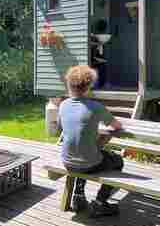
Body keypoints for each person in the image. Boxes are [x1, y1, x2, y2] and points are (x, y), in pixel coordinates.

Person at [58, 65, 123, 217]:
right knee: (117, 161)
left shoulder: (63, 105)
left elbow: (64, 128)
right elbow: (117, 126)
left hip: (67, 162)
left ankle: (78, 196)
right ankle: (101, 202)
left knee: (87, 153)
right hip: (88, 163)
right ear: (89, 86)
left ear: (69, 84)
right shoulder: (96, 107)